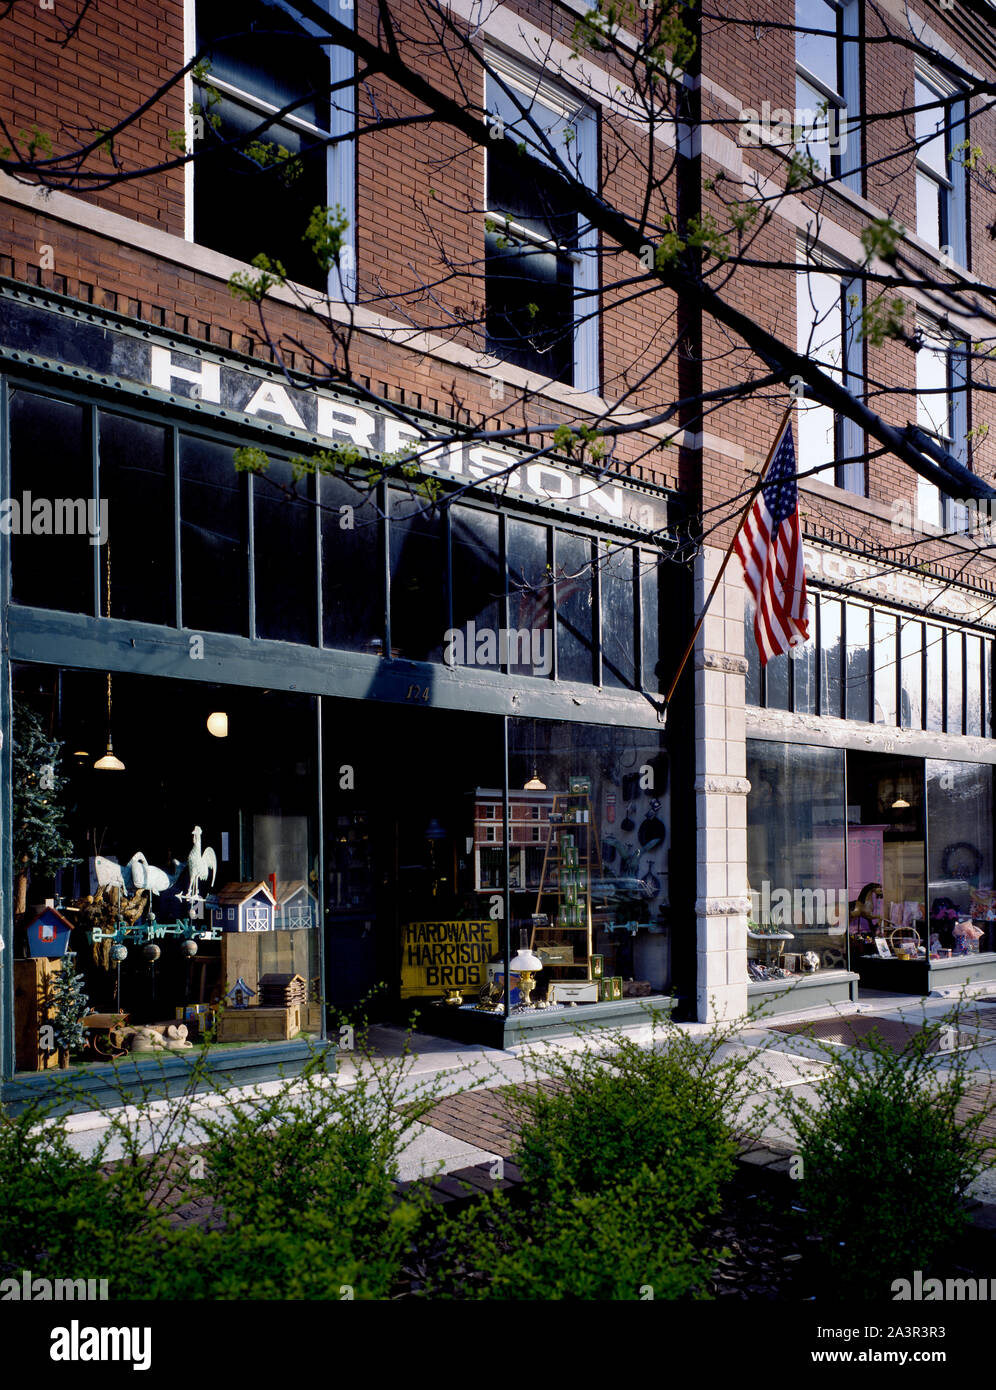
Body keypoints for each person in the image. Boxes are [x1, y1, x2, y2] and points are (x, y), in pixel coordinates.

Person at [849, 882, 885, 953]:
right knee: (864, 938)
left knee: (868, 938)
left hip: (866, 935)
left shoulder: (868, 906)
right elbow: (869, 916)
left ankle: (870, 945)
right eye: (879, 890)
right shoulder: (864, 908)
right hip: (860, 935)